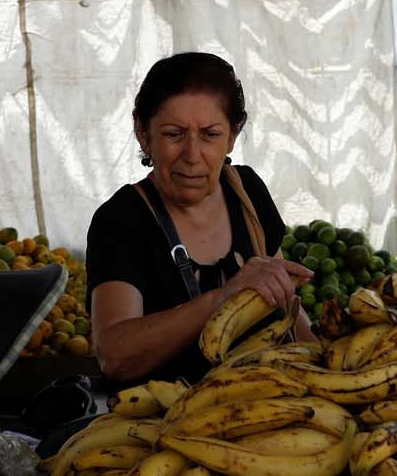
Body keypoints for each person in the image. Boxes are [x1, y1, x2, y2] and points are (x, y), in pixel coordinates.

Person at [86, 52, 315, 385]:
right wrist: (223, 297)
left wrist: (329, 363)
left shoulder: (247, 192)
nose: (192, 156)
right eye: (174, 134)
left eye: (209, 135)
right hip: (168, 427)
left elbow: (285, 302)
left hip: (268, 413)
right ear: (143, 133)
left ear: (232, 135)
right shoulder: (121, 220)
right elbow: (115, 356)